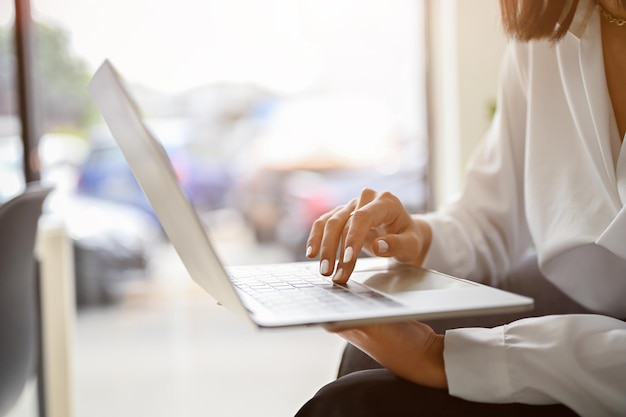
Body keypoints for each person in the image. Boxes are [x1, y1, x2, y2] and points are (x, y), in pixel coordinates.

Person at [295, 0, 626, 416]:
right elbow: (490, 218)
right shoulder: (552, 25)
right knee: (362, 359)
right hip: (592, 301)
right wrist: (413, 239)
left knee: (351, 404)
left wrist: (441, 356)